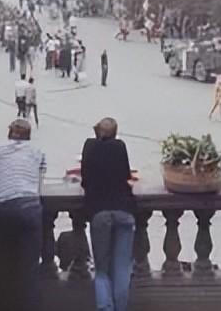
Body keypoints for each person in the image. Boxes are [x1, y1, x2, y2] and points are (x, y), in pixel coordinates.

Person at [81, 118, 136, 311]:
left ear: (98, 131)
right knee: (122, 268)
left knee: (102, 270)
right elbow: (126, 175)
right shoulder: (120, 146)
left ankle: (106, 307)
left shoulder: (89, 146)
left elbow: (85, 178)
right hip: (124, 210)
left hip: (100, 212)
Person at [0, 119, 46, 311]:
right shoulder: (38, 152)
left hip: (6, 206)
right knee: (30, 266)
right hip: (30, 205)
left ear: (9, 133)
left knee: (6, 261)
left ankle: (6, 305)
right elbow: (40, 178)